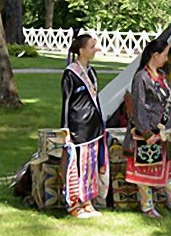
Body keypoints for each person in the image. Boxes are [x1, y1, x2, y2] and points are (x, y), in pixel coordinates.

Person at [126, 37, 171, 218]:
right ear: (155, 55)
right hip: (147, 134)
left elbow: (167, 103)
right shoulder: (141, 78)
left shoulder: (162, 76)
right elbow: (138, 107)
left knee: (167, 168)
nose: (166, 58)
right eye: (164, 55)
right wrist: (147, 132)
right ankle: (147, 207)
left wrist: (167, 128)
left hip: (162, 132)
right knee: (145, 171)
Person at [61, 33, 109, 218]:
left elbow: (95, 99)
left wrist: (101, 122)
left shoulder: (92, 72)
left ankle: (87, 201)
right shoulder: (70, 73)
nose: (96, 49)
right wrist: (65, 129)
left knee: (91, 166)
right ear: (81, 51)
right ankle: (74, 204)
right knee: (78, 166)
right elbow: (66, 102)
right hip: (78, 127)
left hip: (94, 126)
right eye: (92, 46)